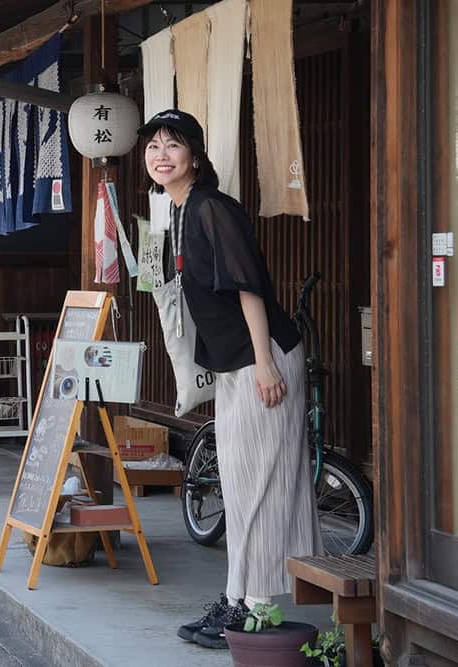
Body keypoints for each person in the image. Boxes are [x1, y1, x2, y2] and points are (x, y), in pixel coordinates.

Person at [137, 109, 323, 650]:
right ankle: (237, 596)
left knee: (260, 484)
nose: (161, 154)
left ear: (195, 155)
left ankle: (257, 609)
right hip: (234, 364)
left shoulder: (211, 208)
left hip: (261, 359)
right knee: (240, 486)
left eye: (173, 145)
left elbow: (248, 288)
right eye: (153, 146)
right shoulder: (179, 209)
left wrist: (264, 362)